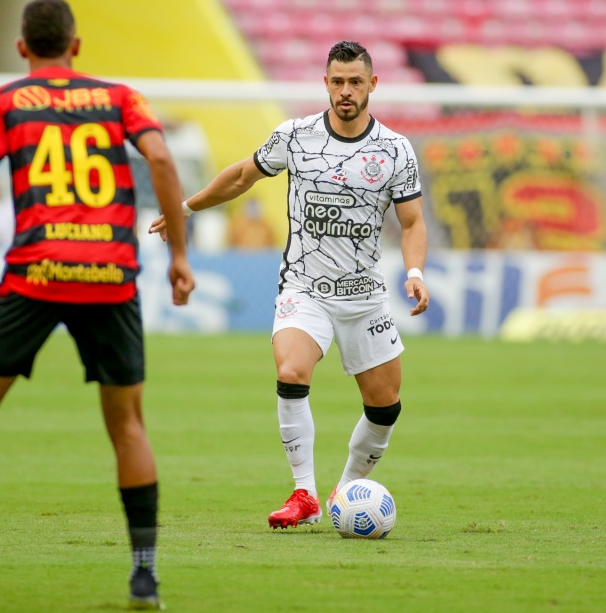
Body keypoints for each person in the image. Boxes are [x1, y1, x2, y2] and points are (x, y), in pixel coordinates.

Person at [0, 0, 194, 610]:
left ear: (22, 47)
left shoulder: (3, 102)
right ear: (76, 46)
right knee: (128, 424)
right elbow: (161, 158)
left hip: (36, 272)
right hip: (110, 275)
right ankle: (144, 577)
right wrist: (179, 257)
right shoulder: (120, 98)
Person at [150, 41, 429, 529]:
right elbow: (241, 177)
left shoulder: (394, 150)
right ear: (325, 82)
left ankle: (345, 489)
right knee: (292, 369)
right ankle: (304, 493)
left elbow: (411, 223)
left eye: (355, 82)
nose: (346, 91)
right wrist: (185, 209)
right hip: (306, 288)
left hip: (365, 298)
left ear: (373, 85)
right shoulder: (295, 136)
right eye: (337, 81)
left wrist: (415, 272)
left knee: (385, 405)